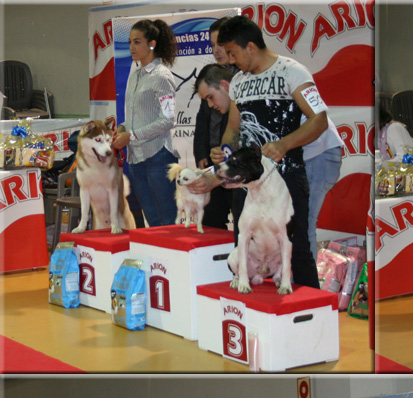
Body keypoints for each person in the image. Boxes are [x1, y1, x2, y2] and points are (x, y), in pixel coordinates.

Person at [189, 15, 323, 288]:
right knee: (247, 251)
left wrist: (285, 144)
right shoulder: (238, 81)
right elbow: (233, 129)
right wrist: (224, 153)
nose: (230, 59)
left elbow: (319, 119)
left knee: (296, 249)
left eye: (232, 53)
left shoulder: (293, 72)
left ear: (250, 46)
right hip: (247, 184)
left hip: (286, 179)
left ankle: (312, 314)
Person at [112, 19, 179, 228]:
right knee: (151, 218)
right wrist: (123, 127)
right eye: (130, 42)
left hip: (158, 155)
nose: (132, 47)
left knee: (167, 219)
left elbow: (168, 120)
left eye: (137, 42)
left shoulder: (162, 75)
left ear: (152, 44)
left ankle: (171, 259)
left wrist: (130, 136)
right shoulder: (135, 75)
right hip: (136, 158)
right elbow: (134, 116)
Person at [193, 63, 236, 229]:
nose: (210, 104)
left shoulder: (246, 105)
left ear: (225, 86)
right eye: (206, 100)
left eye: (211, 97)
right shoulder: (229, 104)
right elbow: (202, 126)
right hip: (219, 166)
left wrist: (228, 155)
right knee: (211, 221)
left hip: (243, 176)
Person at [303, 115, 344, 261]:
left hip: (318, 154)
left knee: (304, 223)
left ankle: (306, 280)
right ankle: (305, 278)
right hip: (323, 154)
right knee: (305, 223)